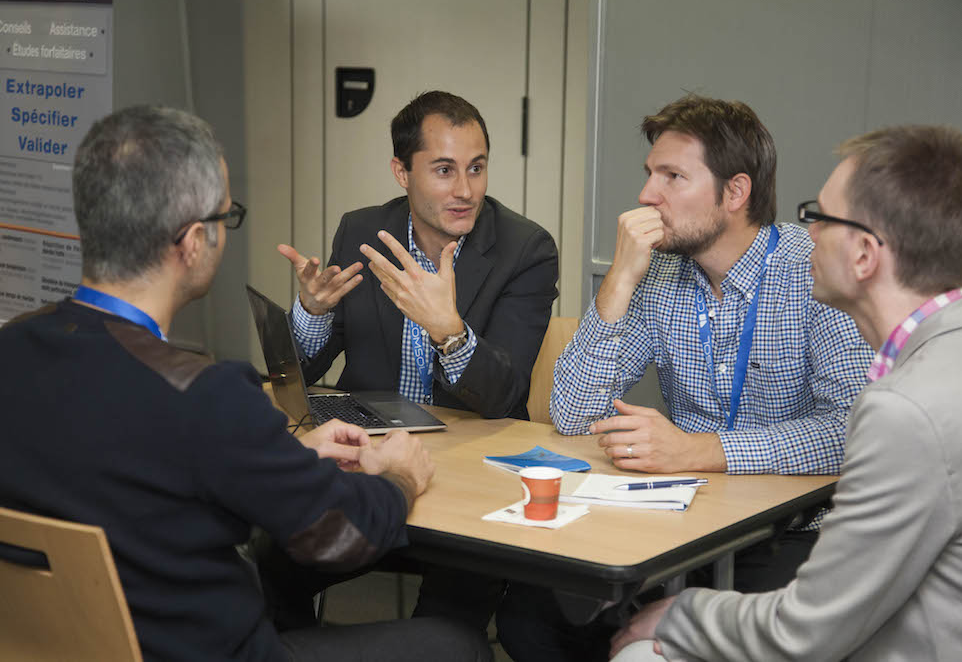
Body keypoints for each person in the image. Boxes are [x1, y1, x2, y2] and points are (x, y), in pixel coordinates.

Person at [0, 105, 488, 662]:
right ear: (191, 242)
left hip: (60, 647)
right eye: (225, 219)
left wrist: (280, 452)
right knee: (457, 646)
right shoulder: (205, 395)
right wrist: (399, 477)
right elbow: (341, 535)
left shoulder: (13, 348)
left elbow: (138, 463)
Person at [497, 95, 871, 662]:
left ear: (735, 192)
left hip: (794, 529)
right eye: (650, 175)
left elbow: (850, 432)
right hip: (680, 519)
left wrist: (698, 450)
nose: (648, 195)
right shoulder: (662, 273)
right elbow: (573, 413)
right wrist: (620, 280)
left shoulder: (809, 270)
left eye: (673, 176)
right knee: (530, 615)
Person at [610, 124, 962, 661]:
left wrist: (681, 614)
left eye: (820, 217)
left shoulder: (905, 409)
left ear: (865, 254)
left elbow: (806, 632)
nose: (805, 233)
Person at [278, 90, 559, 421]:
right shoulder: (361, 232)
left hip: (470, 449)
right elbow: (300, 378)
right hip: (368, 439)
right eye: (444, 170)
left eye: (476, 168)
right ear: (402, 173)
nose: (466, 191)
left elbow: (504, 396)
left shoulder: (525, 250)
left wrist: (450, 334)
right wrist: (313, 312)